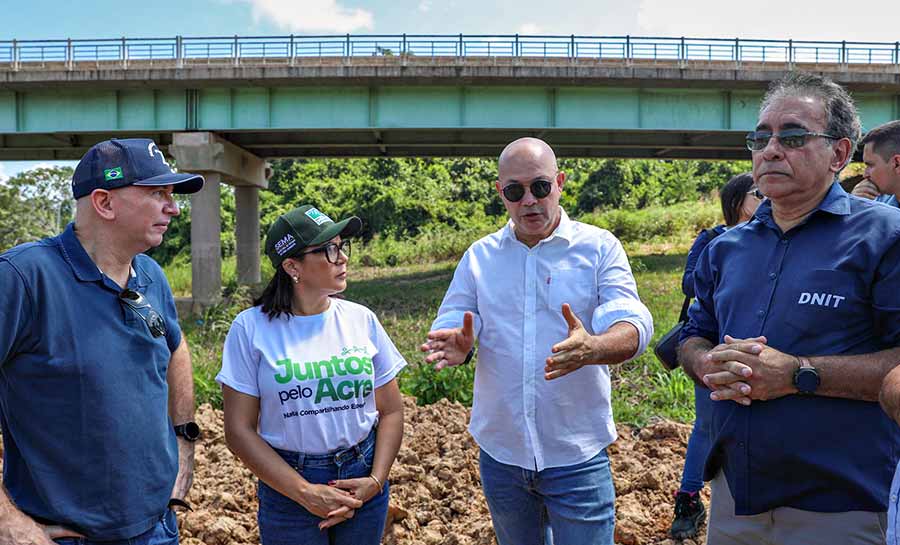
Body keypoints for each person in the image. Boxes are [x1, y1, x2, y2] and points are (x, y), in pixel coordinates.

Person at [678, 72, 900, 545]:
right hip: (736, 498)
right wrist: (703, 361)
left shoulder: (885, 237)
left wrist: (798, 372)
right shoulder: (727, 248)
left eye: (793, 137)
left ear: (839, 154)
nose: (771, 150)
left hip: (841, 505)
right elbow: (694, 333)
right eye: (761, 138)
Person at [420, 137, 653, 545]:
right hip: (502, 456)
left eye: (540, 187)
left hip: (576, 456)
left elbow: (631, 320)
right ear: (501, 194)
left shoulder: (598, 247)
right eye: (515, 191)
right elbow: (454, 322)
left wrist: (594, 348)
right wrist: (459, 345)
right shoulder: (480, 257)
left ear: (560, 182)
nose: (529, 200)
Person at [0, 138, 203, 545]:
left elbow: (174, 347)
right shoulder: (23, 278)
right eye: (157, 194)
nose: (174, 207)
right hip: (66, 535)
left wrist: (184, 441)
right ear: (104, 203)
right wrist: (7, 523)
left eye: (172, 195)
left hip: (158, 528)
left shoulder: (150, 275)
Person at [218, 205, 405, 545]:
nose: (342, 258)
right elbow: (238, 430)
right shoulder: (250, 328)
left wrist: (376, 481)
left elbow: (391, 410)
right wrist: (304, 492)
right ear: (292, 266)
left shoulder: (361, 320)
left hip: (361, 479)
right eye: (328, 249)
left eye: (341, 246)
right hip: (289, 487)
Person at [669, 173, 761, 539]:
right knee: (706, 427)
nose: (765, 195)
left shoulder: (784, 239)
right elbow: (690, 284)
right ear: (738, 202)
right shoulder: (712, 239)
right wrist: (729, 250)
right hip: (715, 347)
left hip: (763, 350)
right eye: (756, 193)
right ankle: (688, 499)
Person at [851, 120, 900, 208]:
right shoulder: (876, 201)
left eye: (870, 165)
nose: (865, 175)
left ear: (897, 164)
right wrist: (855, 206)